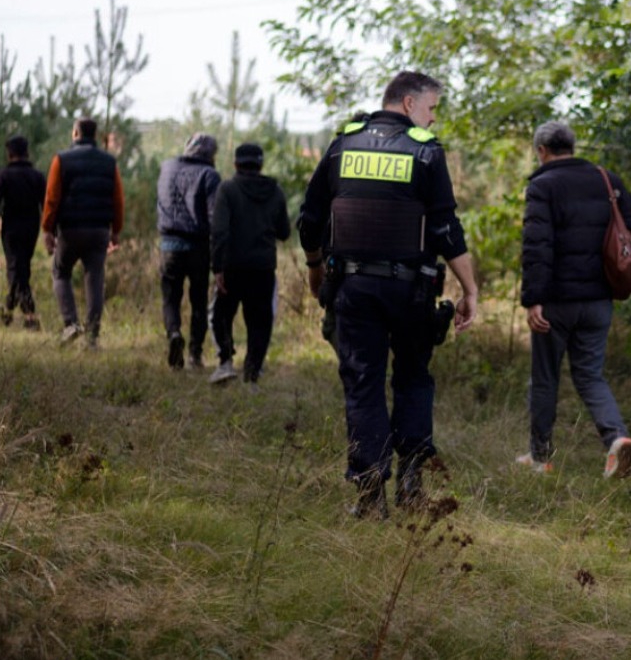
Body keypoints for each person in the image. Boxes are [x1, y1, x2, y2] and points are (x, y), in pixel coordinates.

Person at [298, 70, 478, 519]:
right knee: (414, 378)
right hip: (412, 289)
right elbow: (445, 227)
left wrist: (315, 268)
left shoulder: (343, 144)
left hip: (354, 287)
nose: (434, 119)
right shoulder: (425, 151)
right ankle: (412, 483)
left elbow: (310, 216)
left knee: (363, 384)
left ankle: (370, 495)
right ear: (409, 104)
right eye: (432, 108)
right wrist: (470, 288)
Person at [518, 120, 631, 477]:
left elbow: (537, 247)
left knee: (545, 378)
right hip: (598, 300)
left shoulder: (543, 185)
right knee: (590, 376)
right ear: (572, 146)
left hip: (557, 301)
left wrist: (533, 299)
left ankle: (540, 458)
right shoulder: (606, 179)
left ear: (541, 150)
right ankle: (616, 439)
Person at [207, 143, 289, 385]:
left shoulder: (228, 189)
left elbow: (219, 231)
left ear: (236, 164)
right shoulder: (276, 191)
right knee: (260, 322)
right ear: (261, 165)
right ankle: (252, 375)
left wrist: (218, 268)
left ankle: (225, 363)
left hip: (233, 266)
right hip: (263, 268)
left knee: (221, 315)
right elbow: (284, 232)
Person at [41, 117, 124, 348]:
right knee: (95, 278)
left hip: (70, 229)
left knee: (60, 272)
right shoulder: (109, 162)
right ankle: (92, 337)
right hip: (99, 231)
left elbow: (52, 197)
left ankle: (71, 324)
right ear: (95, 135)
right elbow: (118, 199)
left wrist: (48, 229)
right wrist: (115, 231)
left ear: (75, 133)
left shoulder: (61, 160)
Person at [157, 133, 222, 370]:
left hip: (169, 244)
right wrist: (219, 258)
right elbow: (215, 218)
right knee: (198, 301)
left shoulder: (167, 168)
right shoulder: (209, 175)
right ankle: (195, 354)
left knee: (170, 298)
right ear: (210, 154)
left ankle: (174, 333)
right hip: (198, 247)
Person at [0, 135, 47, 329]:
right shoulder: (37, 176)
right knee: (22, 267)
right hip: (31, 228)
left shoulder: (4, 176)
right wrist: (50, 230)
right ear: (27, 153)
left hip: (10, 229)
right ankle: (13, 310)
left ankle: (29, 316)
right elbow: (47, 205)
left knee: (15, 268)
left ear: (9, 154)